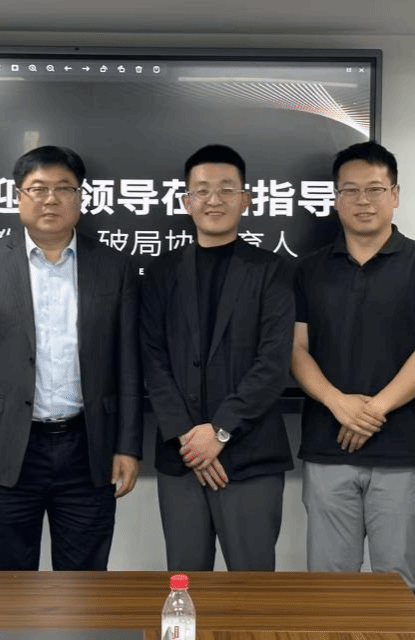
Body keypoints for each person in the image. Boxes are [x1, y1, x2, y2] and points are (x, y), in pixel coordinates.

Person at [0, 145, 143, 571]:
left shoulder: (114, 266)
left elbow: (129, 364)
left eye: (63, 188)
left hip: (88, 446)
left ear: (80, 197)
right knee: (10, 578)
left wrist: (128, 445)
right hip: (7, 448)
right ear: (18, 196)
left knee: (85, 581)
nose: (51, 199)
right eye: (38, 188)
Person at [291, 141, 415, 607]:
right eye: (350, 190)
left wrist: (373, 410)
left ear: (395, 194)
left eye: (375, 189)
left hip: (400, 449)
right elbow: (295, 349)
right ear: (335, 198)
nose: (363, 201)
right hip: (327, 447)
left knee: (398, 589)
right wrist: (338, 403)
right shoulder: (308, 270)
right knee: (328, 590)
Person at [140, 144, 294, 571]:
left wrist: (220, 431)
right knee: (185, 582)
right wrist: (191, 439)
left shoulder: (272, 270)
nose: (214, 199)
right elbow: (151, 358)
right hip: (183, 457)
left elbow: (273, 361)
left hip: (251, 455)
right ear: (186, 201)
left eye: (227, 189)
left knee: (252, 588)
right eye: (202, 190)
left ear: (246, 199)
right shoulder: (160, 272)